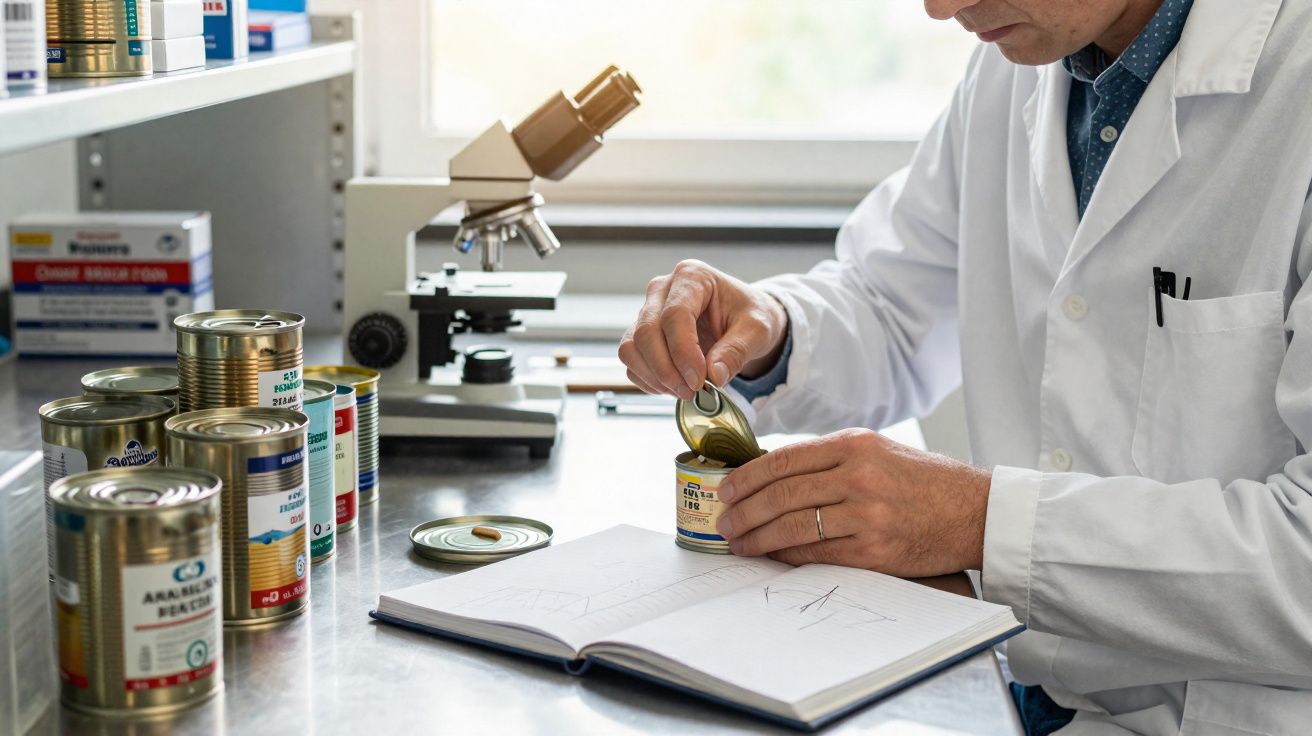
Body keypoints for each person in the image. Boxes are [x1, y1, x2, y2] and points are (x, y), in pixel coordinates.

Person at [618, 1, 1312, 734]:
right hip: (1029, 692)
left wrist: (981, 523)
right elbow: (893, 303)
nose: (940, 5)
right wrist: (773, 330)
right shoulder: (1024, 64)